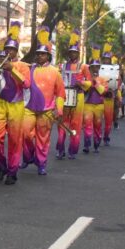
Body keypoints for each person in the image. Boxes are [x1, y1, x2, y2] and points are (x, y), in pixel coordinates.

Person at [0, 22, 30, 184]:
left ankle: (12, 171)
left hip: (16, 105)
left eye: (12, 50)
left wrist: (12, 69)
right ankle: (1, 167)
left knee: (14, 139)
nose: (9, 52)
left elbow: (26, 84)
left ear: (16, 50)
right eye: (7, 49)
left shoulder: (23, 66)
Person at [21, 27, 65, 176]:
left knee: (43, 139)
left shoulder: (55, 72)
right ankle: (28, 157)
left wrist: (58, 110)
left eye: (43, 54)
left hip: (47, 110)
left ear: (48, 56)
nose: (40, 56)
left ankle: (41, 163)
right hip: (29, 108)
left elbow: (60, 94)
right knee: (26, 133)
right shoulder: (29, 69)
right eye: (38, 54)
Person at [56, 30, 90, 160]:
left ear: (78, 53)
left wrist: (80, 83)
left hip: (78, 95)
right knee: (62, 123)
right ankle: (60, 149)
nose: (72, 54)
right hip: (64, 94)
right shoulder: (62, 65)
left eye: (74, 52)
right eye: (70, 52)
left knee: (75, 124)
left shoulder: (84, 66)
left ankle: (73, 150)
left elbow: (90, 83)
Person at [82, 45, 107, 154]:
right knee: (87, 125)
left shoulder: (102, 79)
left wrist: (95, 83)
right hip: (87, 105)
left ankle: (96, 145)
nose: (95, 68)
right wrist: (87, 82)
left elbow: (103, 91)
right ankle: (87, 145)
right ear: (90, 68)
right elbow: (82, 88)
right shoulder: (85, 78)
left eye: (97, 66)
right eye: (93, 67)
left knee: (97, 126)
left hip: (99, 105)